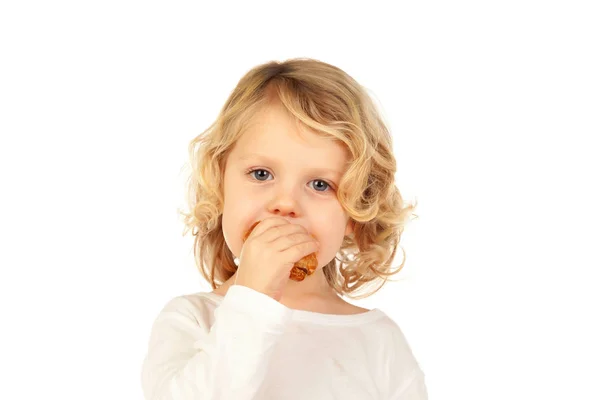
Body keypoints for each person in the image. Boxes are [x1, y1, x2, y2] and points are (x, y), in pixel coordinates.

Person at [141, 58, 427, 399]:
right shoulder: (192, 320)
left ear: (356, 211)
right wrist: (252, 297)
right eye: (261, 174)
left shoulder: (379, 342)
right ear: (220, 182)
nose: (286, 203)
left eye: (320, 184)